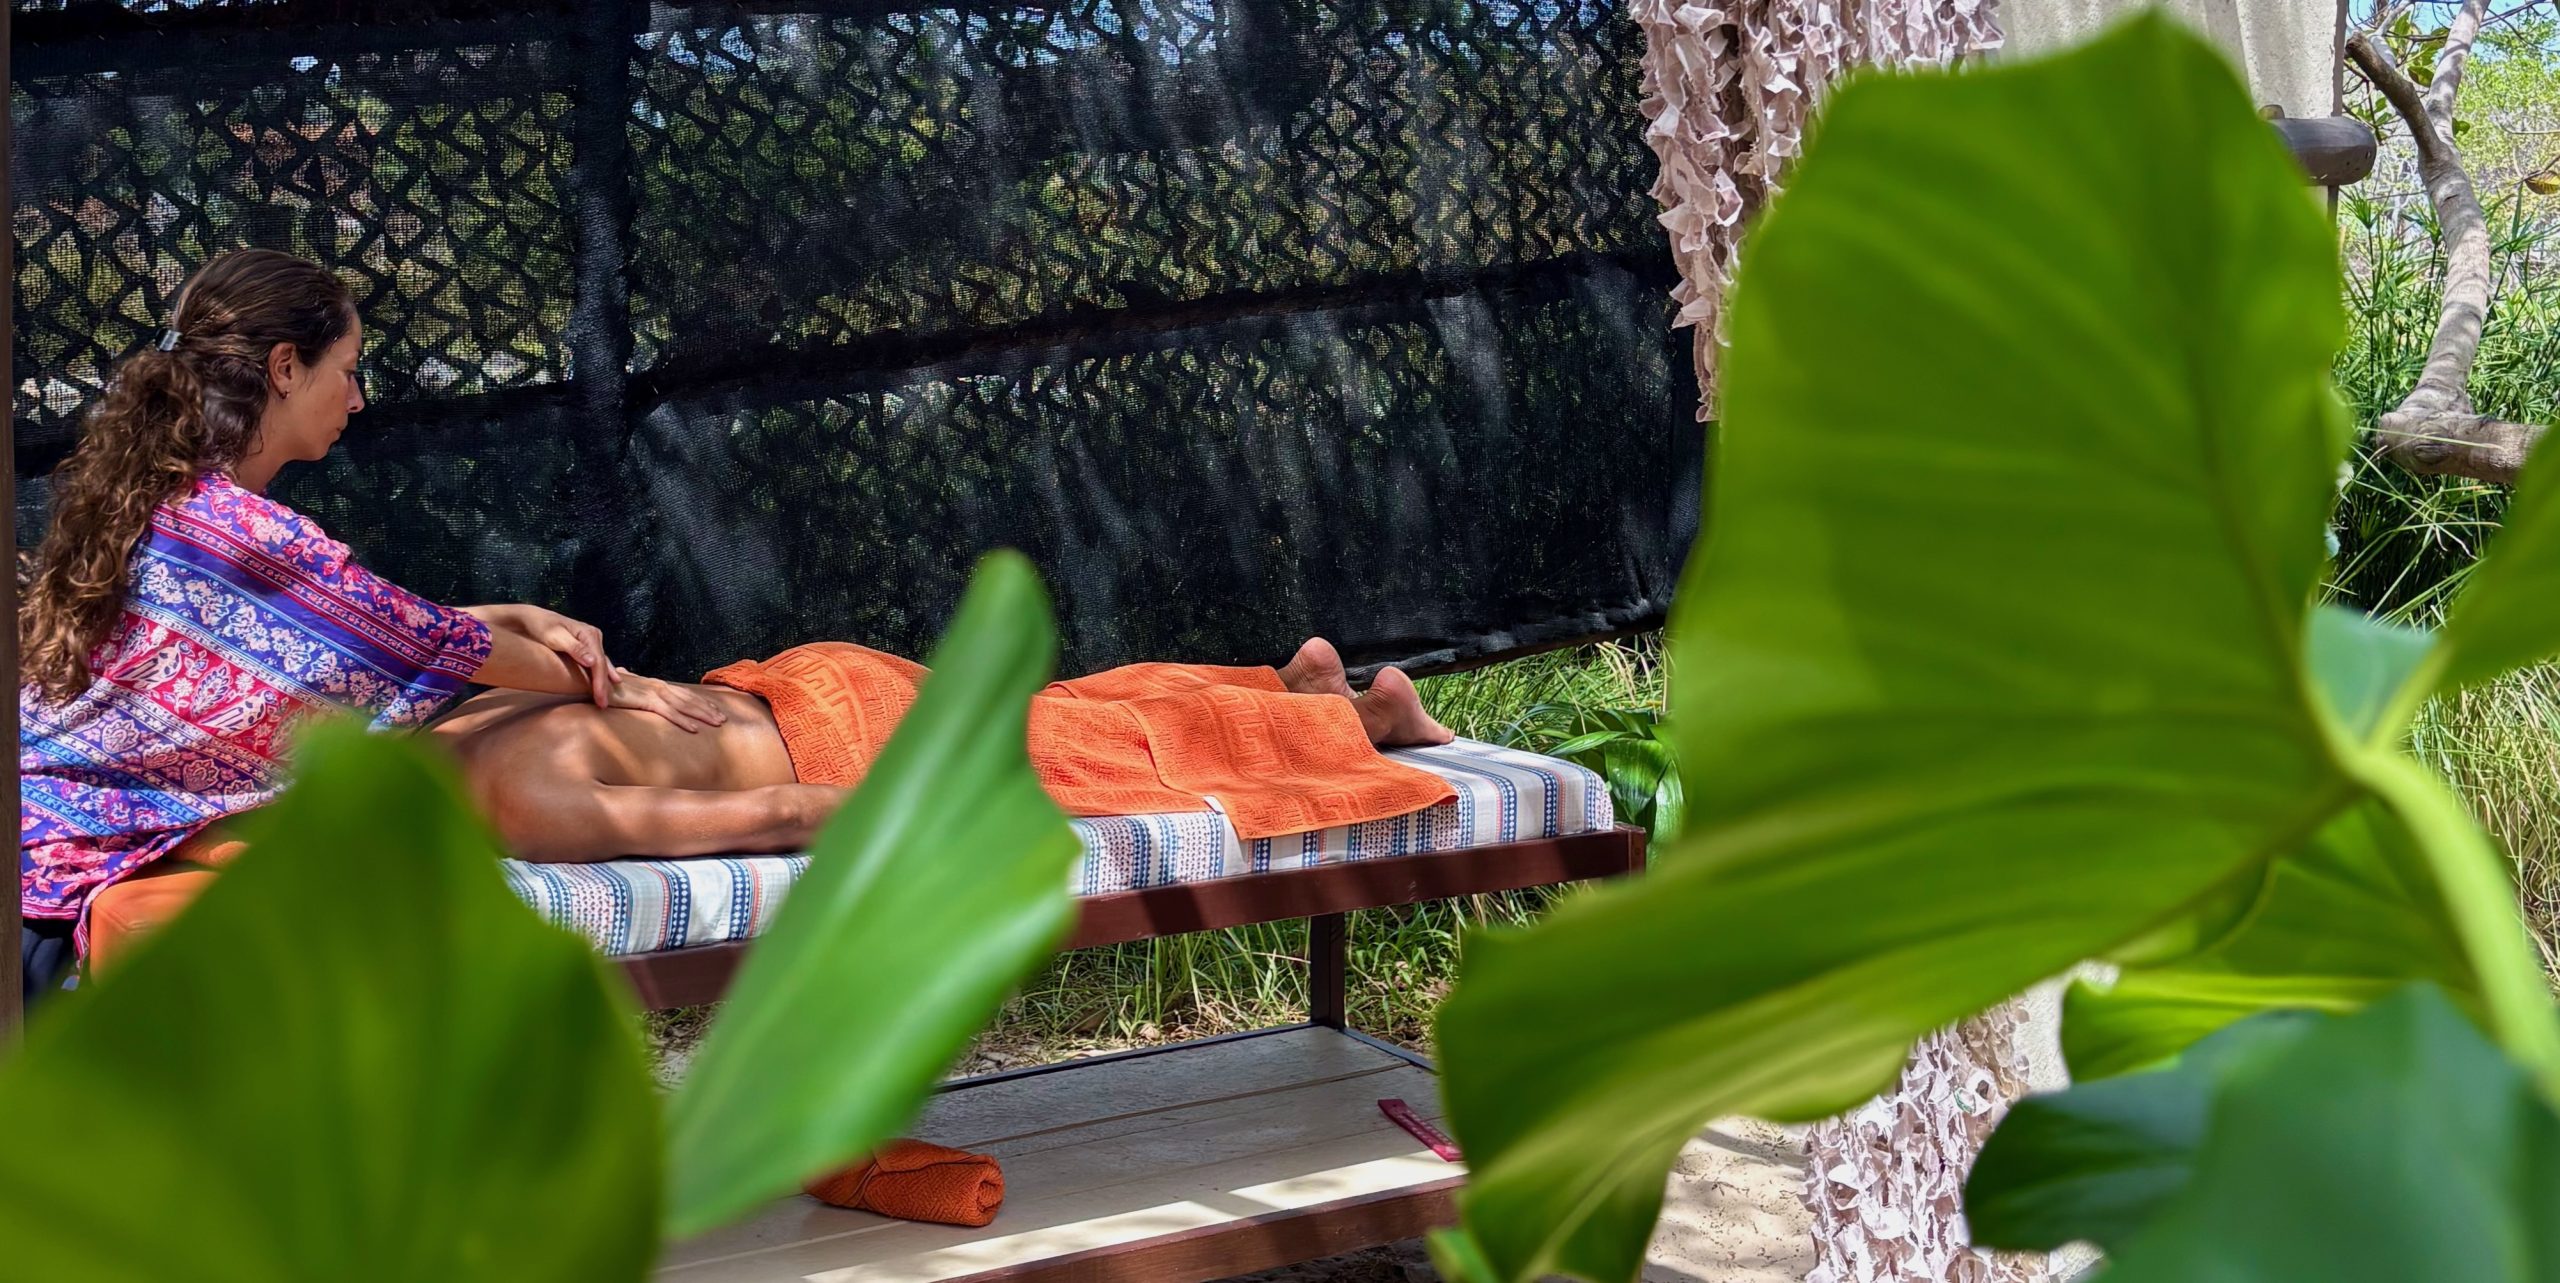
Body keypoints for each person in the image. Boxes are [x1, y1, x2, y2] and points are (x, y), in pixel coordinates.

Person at [17, 249, 723, 1008]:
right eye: (348, 369)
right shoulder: (247, 533)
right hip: (47, 909)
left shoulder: (159, 500)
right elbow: (413, 641)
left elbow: (366, 629)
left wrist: (519, 617)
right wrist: (617, 684)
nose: (356, 399)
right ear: (285, 367)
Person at [426, 637, 1457, 863]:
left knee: (1095, 762)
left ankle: (1367, 716)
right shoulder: (449, 717)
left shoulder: (526, 810)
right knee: (1061, 714)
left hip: (851, 744)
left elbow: (784, 815)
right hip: (803, 680)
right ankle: (1291, 685)